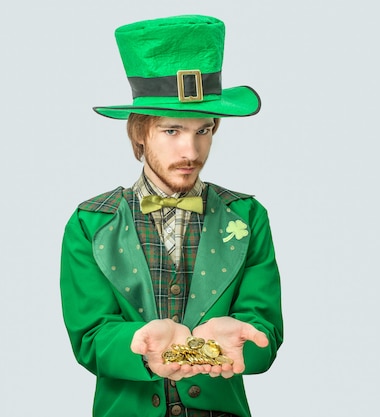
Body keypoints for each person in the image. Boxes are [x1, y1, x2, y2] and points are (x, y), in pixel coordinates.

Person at [60, 15, 283, 417]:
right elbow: (89, 337)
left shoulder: (248, 217)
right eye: (172, 131)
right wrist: (141, 342)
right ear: (140, 131)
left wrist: (242, 341)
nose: (191, 152)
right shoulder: (90, 223)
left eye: (204, 130)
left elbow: (264, 329)